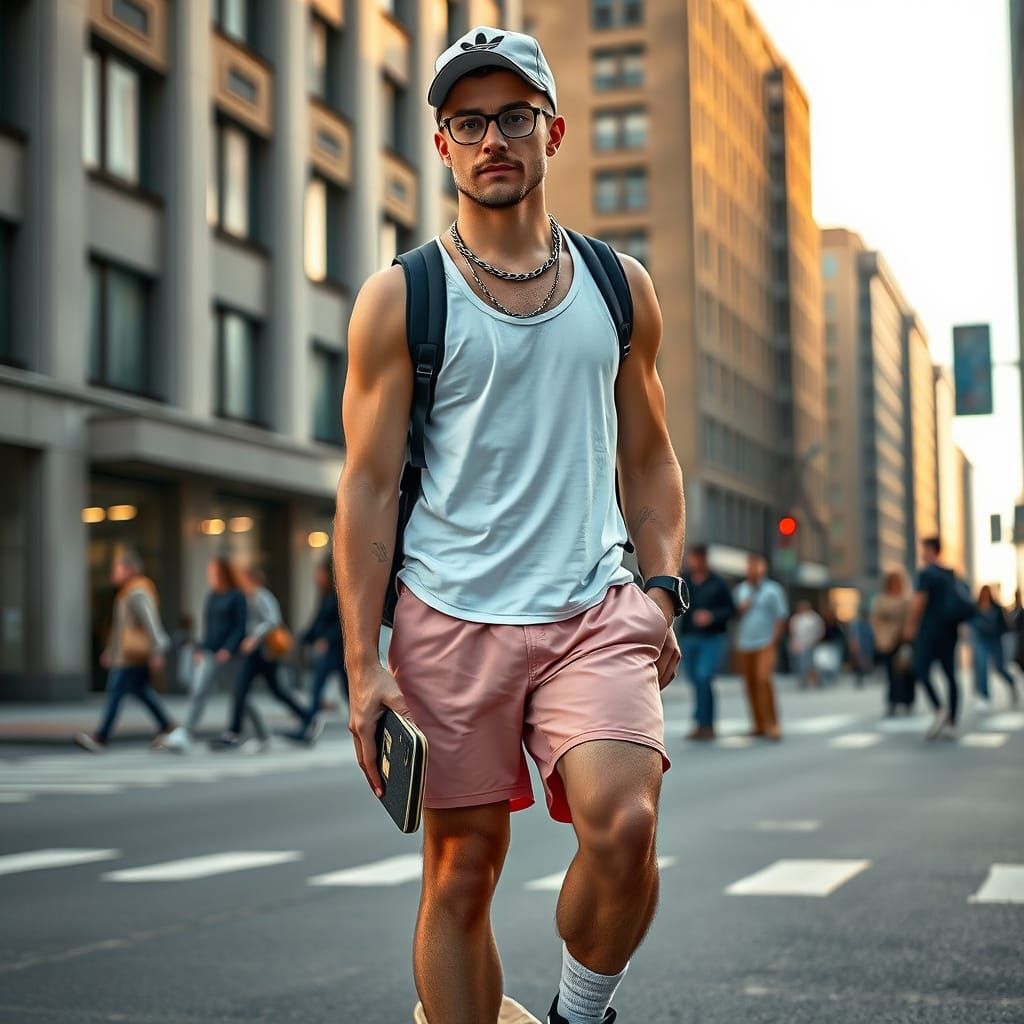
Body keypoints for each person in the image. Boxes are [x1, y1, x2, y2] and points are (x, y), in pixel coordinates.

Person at [334, 27, 685, 1024]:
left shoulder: (621, 289)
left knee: (624, 826)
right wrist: (365, 664)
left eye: (514, 117)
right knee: (460, 875)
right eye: (469, 121)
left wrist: (661, 588)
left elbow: (650, 454)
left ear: (553, 131)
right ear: (442, 145)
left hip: (593, 605)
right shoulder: (402, 297)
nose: (494, 138)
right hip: (447, 613)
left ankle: (578, 1012)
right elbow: (362, 489)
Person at [74, 548, 176, 752]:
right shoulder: (126, 592)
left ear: (129, 569)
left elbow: (151, 622)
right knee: (141, 692)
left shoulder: (138, 591)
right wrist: (110, 651)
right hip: (125, 655)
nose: (114, 572)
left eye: (118, 568)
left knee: (115, 692)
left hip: (131, 657)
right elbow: (120, 628)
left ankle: (101, 737)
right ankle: (168, 727)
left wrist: (156, 651)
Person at [160, 557, 255, 753]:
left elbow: (239, 627)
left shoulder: (237, 596)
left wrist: (228, 649)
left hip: (231, 656)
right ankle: (186, 733)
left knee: (239, 696)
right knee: (199, 692)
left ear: (223, 572)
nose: (210, 574)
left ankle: (261, 733)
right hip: (211, 654)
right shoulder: (212, 596)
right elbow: (209, 628)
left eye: (213, 570)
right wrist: (201, 648)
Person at [210, 566, 307, 751]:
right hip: (256, 655)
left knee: (267, 690)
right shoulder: (247, 597)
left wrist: (254, 638)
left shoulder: (262, 595)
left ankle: (235, 732)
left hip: (265, 652)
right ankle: (235, 731)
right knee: (246, 689)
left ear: (252, 579)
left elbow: (273, 620)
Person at [903, 536, 960, 740]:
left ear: (931, 550)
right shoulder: (949, 573)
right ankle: (951, 720)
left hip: (929, 631)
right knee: (950, 674)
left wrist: (909, 627)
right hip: (950, 630)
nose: (921, 553)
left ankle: (940, 709)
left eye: (924, 549)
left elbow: (919, 601)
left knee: (921, 671)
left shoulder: (926, 574)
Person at [283, 557, 345, 744]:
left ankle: (307, 727)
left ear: (328, 574)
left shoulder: (338, 594)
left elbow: (343, 623)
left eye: (319, 573)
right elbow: (316, 622)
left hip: (338, 649)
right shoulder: (324, 595)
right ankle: (307, 727)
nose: (316, 577)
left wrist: (327, 639)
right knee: (346, 691)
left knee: (319, 687)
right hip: (331, 650)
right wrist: (302, 638)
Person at [678, 544, 735, 740]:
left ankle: (707, 724)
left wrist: (711, 616)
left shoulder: (718, 583)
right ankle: (701, 722)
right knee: (696, 681)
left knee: (704, 676)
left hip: (712, 638)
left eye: (696, 558)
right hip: (689, 637)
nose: (692, 562)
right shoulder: (685, 580)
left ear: (704, 559)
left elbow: (730, 610)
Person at [733, 554, 788, 741]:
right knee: (750, 684)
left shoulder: (773, 590)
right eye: (749, 566)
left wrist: (774, 640)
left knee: (763, 679)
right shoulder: (740, 590)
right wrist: (742, 608)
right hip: (745, 643)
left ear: (763, 568)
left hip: (765, 643)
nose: (753, 570)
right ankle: (757, 724)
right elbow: (734, 615)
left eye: (756, 566)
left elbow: (781, 617)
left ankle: (772, 723)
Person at [970, 585, 1018, 710]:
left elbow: (1006, 625)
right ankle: (984, 697)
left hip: (995, 640)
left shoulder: (997, 608)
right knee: (982, 667)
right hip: (981, 641)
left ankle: (1011, 682)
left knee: (999, 668)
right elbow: (971, 623)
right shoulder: (975, 608)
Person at [872, 570, 913, 715]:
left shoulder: (906, 599)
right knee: (890, 673)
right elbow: (876, 619)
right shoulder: (881, 599)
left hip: (903, 639)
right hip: (886, 640)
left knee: (905, 672)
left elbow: (910, 618)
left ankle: (907, 700)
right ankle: (892, 701)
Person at [788, 600, 823, 689]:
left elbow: (820, 631)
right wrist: (793, 643)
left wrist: (816, 641)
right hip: (799, 644)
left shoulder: (814, 617)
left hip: (811, 644)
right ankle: (803, 680)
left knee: (810, 663)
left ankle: (815, 680)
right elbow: (793, 632)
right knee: (800, 663)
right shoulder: (796, 618)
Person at [847, 606, 876, 688]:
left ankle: (863, 676)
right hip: (859, 646)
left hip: (868, 646)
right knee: (859, 663)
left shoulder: (869, 623)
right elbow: (853, 636)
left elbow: (872, 635)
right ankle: (859, 678)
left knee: (866, 662)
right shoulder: (855, 624)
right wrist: (853, 646)